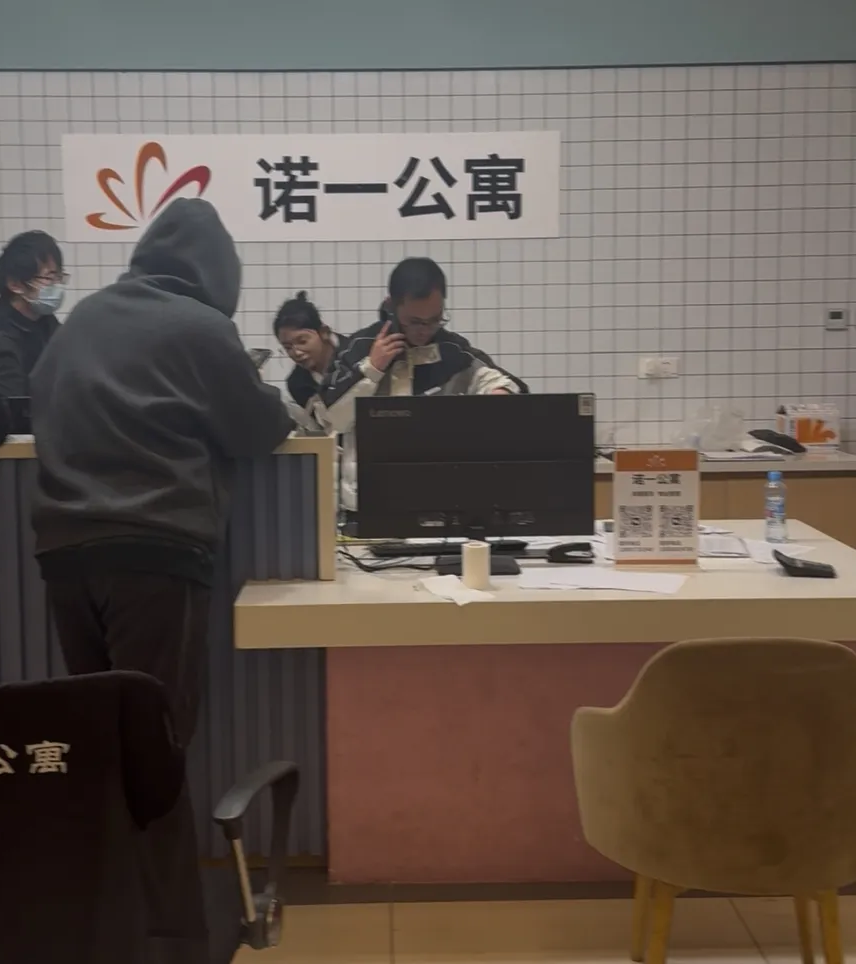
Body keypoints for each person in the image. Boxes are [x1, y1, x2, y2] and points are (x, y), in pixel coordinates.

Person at [31, 198, 293, 746]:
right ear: (221, 274)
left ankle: (104, 808)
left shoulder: (83, 317)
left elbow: (39, 399)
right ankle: (154, 808)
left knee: (98, 739)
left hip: (63, 552)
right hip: (154, 551)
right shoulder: (202, 326)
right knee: (154, 742)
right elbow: (259, 428)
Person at [318, 256, 526, 512]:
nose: (425, 330)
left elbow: (498, 380)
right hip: (368, 498)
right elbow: (334, 419)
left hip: (436, 495)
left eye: (435, 319)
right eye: (415, 322)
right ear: (391, 306)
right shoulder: (359, 347)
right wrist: (372, 369)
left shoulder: (451, 348)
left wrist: (499, 393)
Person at [0, 230, 67, 389]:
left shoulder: (53, 329)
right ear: (15, 284)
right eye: (49, 277)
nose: (57, 285)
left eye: (59, 277)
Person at [273, 291, 340, 426]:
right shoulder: (297, 384)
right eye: (288, 347)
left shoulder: (354, 352)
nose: (296, 352)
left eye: (302, 341)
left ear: (324, 332)